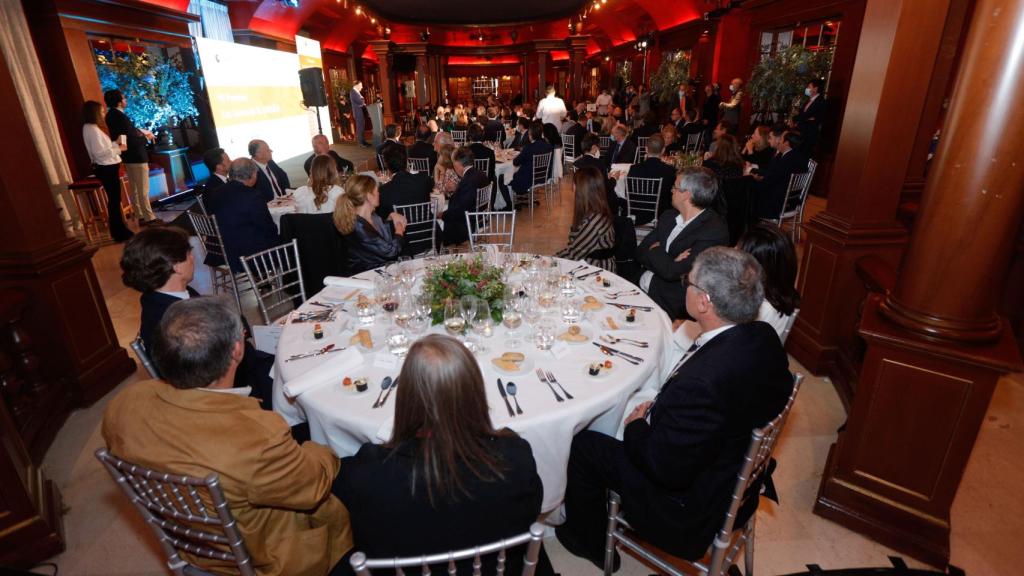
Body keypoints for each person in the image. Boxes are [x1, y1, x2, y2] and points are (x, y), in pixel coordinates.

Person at [557, 247, 794, 569]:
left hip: (689, 508)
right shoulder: (762, 336)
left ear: (703, 302)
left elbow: (665, 468)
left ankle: (587, 541)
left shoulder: (703, 384)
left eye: (689, 281)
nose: (686, 286)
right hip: (732, 471)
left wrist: (637, 425)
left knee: (585, 444)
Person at [102, 297, 352, 576]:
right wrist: (322, 447)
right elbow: (314, 484)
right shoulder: (257, 437)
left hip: (192, 544)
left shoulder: (123, 405)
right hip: (268, 556)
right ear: (237, 350)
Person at [333, 335, 551, 576]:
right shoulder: (514, 459)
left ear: (407, 397)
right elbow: (531, 509)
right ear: (474, 392)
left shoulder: (370, 473)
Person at [120, 226, 275, 406]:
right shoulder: (177, 323)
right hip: (239, 388)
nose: (193, 259)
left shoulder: (161, 298)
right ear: (176, 267)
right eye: (188, 254)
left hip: (240, 366)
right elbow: (231, 348)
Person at [675, 223, 801, 350]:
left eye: (739, 250)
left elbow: (722, 338)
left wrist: (686, 331)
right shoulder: (783, 294)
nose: (733, 250)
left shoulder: (755, 306)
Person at [636, 167, 730, 319]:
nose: (671, 190)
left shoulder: (713, 231)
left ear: (686, 194)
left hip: (671, 304)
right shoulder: (669, 216)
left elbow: (674, 272)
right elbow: (640, 252)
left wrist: (657, 251)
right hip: (642, 286)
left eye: (675, 187)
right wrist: (669, 261)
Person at [203, 158, 281, 273]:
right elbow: (267, 228)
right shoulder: (253, 195)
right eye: (256, 173)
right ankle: (287, 284)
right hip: (246, 256)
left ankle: (265, 283)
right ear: (251, 175)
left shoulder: (216, 192)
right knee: (291, 242)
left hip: (221, 252)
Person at [103, 89, 158, 226]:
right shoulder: (121, 117)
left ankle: (140, 215)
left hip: (127, 156)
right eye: (124, 98)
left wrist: (137, 132)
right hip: (137, 156)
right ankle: (150, 218)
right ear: (119, 102)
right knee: (143, 189)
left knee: (134, 188)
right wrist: (146, 137)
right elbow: (131, 139)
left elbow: (126, 135)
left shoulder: (110, 116)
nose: (125, 100)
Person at [82, 100, 133, 242]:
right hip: (106, 167)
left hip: (107, 167)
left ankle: (120, 230)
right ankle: (119, 232)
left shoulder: (91, 127)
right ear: (94, 113)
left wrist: (115, 143)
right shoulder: (91, 129)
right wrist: (119, 148)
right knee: (114, 201)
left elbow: (102, 148)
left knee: (115, 200)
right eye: (101, 111)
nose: (103, 113)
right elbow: (99, 153)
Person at [333, 174, 406, 274]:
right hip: (366, 275)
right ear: (369, 196)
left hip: (381, 269)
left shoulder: (372, 216)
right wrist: (399, 228)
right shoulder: (359, 226)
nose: (379, 194)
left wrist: (392, 216)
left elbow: (381, 237)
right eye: (377, 191)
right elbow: (390, 251)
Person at [557, 166, 616, 272]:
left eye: (574, 184)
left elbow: (574, 253)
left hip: (598, 273)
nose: (572, 188)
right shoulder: (595, 211)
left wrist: (549, 261)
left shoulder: (594, 221)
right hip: (590, 265)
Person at [753, 130, 809, 220]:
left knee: (749, 193)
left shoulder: (786, 160)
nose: (779, 141)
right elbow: (775, 176)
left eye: (781, 139)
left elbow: (770, 181)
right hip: (791, 201)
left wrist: (754, 181)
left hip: (779, 204)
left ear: (786, 143)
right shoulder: (797, 156)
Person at [440, 147, 488, 246]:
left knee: (435, 223)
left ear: (458, 164)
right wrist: (457, 188)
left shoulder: (468, 181)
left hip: (467, 224)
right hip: (480, 218)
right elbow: (470, 196)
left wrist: (442, 215)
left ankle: (442, 254)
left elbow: (459, 211)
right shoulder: (480, 174)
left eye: (454, 164)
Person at [625, 134, 677, 224]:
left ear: (646, 149)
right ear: (663, 150)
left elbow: (627, 194)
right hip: (660, 213)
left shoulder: (634, 168)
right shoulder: (670, 171)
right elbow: (671, 196)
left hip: (637, 211)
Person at [376, 144, 431, 220]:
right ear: (407, 161)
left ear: (386, 165)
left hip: (400, 230)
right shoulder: (424, 180)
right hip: (427, 229)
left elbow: (381, 217)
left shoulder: (383, 190)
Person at [509, 121, 554, 206]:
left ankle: (510, 204)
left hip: (529, 179)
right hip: (543, 177)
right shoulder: (549, 146)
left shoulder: (529, 148)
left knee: (504, 177)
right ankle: (523, 197)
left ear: (530, 134)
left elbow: (515, 162)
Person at [574, 133, 620, 215]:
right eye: (599, 147)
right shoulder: (599, 164)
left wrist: (605, 176)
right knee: (615, 197)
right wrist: (614, 178)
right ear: (594, 147)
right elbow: (606, 187)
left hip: (582, 199)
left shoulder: (576, 163)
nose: (599, 150)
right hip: (598, 200)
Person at [794, 78, 826, 154]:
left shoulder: (820, 102)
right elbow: (803, 115)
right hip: (801, 131)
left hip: (809, 134)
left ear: (816, 89)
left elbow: (811, 117)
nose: (807, 89)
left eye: (809, 87)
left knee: (805, 153)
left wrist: (804, 118)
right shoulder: (809, 100)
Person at [350, 80, 369, 146]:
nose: (362, 87)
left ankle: (363, 141)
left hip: (361, 112)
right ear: (356, 85)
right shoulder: (353, 92)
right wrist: (362, 100)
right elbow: (360, 102)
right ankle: (361, 142)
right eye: (360, 85)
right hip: (358, 112)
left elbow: (362, 101)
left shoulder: (357, 92)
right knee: (360, 127)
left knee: (362, 127)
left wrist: (362, 100)